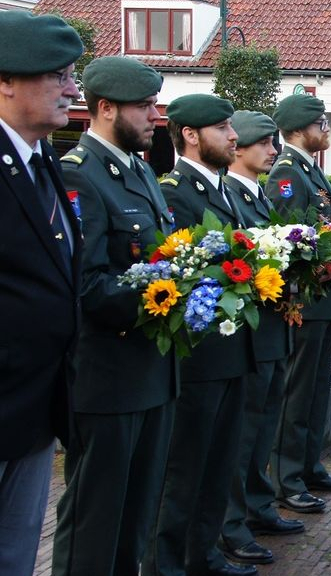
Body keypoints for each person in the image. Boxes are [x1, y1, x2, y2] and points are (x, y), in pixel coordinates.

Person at [51, 56, 176, 576]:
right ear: (105, 108)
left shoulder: (140, 171)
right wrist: (166, 291)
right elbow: (86, 285)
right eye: (144, 106)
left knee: (134, 521)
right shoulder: (80, 177)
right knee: (95, 526)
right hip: (107, 381)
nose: (154, 116)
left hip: (151, 375)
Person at [143, 94, 257, 576]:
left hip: (231, 352)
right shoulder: (176, 192)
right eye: (223, 127)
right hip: (199, 358)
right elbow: (176, 272)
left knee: (218, 461)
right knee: (185, 467)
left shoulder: (225, 188)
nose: (234, 137)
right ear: (191, 135)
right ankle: (166, 563)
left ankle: (204, 554)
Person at [0, 12, 83, 576]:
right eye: (58, 75)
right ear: (5, 80)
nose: (73, 89)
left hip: (32, 406)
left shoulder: (42, 157)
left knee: (16, 553)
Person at [219, 111, 304, 567]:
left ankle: (257, 505)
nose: (274, 151)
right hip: (250, 334)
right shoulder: (230, 194)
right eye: (264, 143)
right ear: (239, 149)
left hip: (273, 328)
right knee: (244, 430)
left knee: (264, 424)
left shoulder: (254, 196)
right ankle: (233, 524)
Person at [266, 94, 331, 516]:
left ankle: (310, 464)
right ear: (300, 128)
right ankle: (287, 478)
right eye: (322, 123)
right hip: (305, 301)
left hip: (325, 300)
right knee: (297, 393)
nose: (327, 130)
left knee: (317, 390)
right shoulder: (287, 174)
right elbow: (288, 241)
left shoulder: (310, 171)